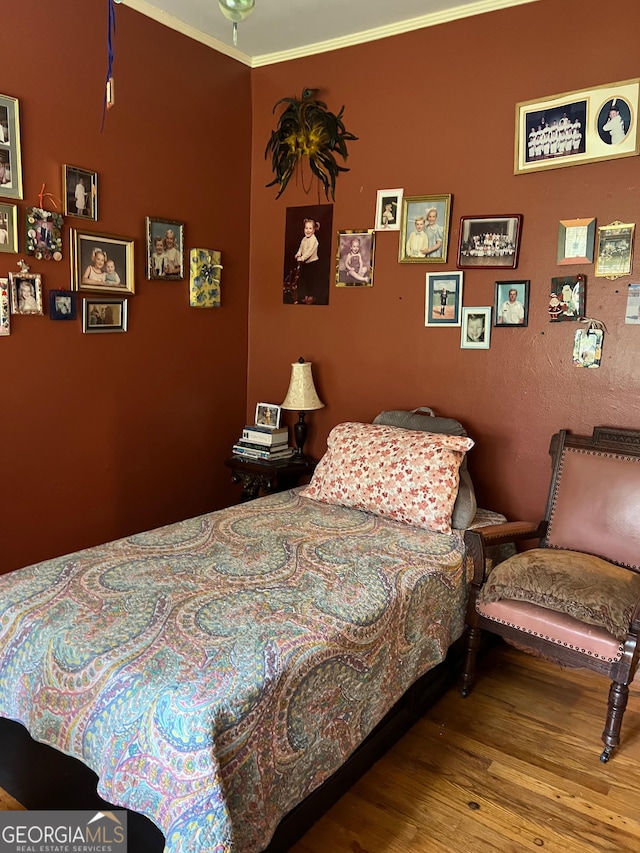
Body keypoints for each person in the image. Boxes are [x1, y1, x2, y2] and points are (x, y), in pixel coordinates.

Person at [293, 218, 321, 304]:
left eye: (310, 228)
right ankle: (306, 295)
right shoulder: (304, 239)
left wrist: (302, 258)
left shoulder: (314, 241)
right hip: (306, 263)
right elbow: (301, 247)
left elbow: (309, 252)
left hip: (313, 263)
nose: (308, 230)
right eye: (306, 228)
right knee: (304, 280)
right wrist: (298, 253)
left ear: (314, 230)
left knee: (311, 280)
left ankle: (311, 296)